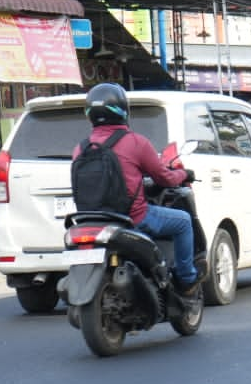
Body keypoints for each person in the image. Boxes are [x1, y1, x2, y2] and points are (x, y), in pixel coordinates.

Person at [79, 82, 200, 296]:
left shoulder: (80, 148)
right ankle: (187, 280)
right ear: (123, 110)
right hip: (134, 217)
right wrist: (185, 174)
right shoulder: (135, 142)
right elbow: (165, 178)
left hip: (90, 220)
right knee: (183, 221)